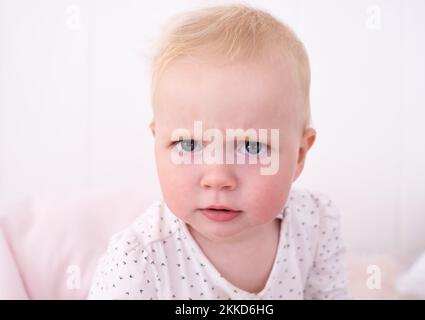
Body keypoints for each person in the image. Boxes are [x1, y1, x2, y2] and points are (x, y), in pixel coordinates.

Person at [88, 3, 349, 300]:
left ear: (299, 156)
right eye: (188, 145)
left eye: (251, 147)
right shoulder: (139, 262)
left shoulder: (314, 223)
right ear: (157, 142)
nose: (217, 177)